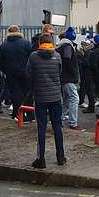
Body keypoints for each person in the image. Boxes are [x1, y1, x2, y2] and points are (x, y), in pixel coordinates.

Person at [26, 34, 65, 169]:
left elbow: (29, 75)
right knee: (57, 127)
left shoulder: (33, 57)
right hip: (55, 96)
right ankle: (61, 157)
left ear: (39, 43)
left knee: (41, 128)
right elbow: (60, 73)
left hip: (40, 97)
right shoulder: (58, 56)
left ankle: (41, 158)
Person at [0, 25, 33, 121]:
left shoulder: (4, 45)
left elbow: (0, 60)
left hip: (10, 73)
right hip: (25, 72)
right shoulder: (26, 43)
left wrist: (3, 71)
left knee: (15, 93)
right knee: (27, 93)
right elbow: (31, 56)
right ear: (19, 31)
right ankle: (29, 115)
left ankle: (17, 114)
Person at [57, 27, 83, 131]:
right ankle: (73, 123)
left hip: (63, 78)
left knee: (67, 100)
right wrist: (75, 75)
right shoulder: (68, 46)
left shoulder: (61, 46)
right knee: (74, 99)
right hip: (69, 78)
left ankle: (58, 119)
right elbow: (68, 61)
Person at [78, 40, 96, 113]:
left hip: (88, 74)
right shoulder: (91, 52)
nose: (82, 47)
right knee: (90, 91)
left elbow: (87, 63)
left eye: (83, 46)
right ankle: (91, 106)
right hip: (89, 74)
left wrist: (81, 61)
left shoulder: (88, 53)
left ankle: (91, 107)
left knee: (90, 91)